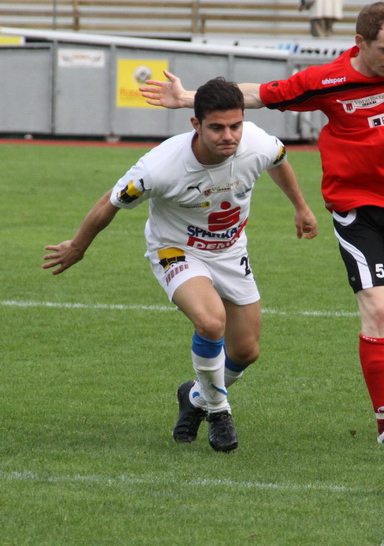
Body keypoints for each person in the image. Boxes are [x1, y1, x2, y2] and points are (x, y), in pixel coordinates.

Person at [139, 2, 384, 446]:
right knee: (377, 310)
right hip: (356, 211)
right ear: (360, 42)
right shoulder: (328, 81)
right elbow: (259, 94)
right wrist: (188, 97)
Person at [42, 78, 318, 453]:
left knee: (246, 351)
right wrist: (78, 246)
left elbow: (279, 160)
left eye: (235, 125)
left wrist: (301, 207)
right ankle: (219, 411)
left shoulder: (257, 144)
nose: (229, 136)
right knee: (211, 322)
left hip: (230, 250)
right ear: (195, 124)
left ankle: (195, 397)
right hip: (176, 249)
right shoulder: (160, 168)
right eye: (217, 128)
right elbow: (111, 201)